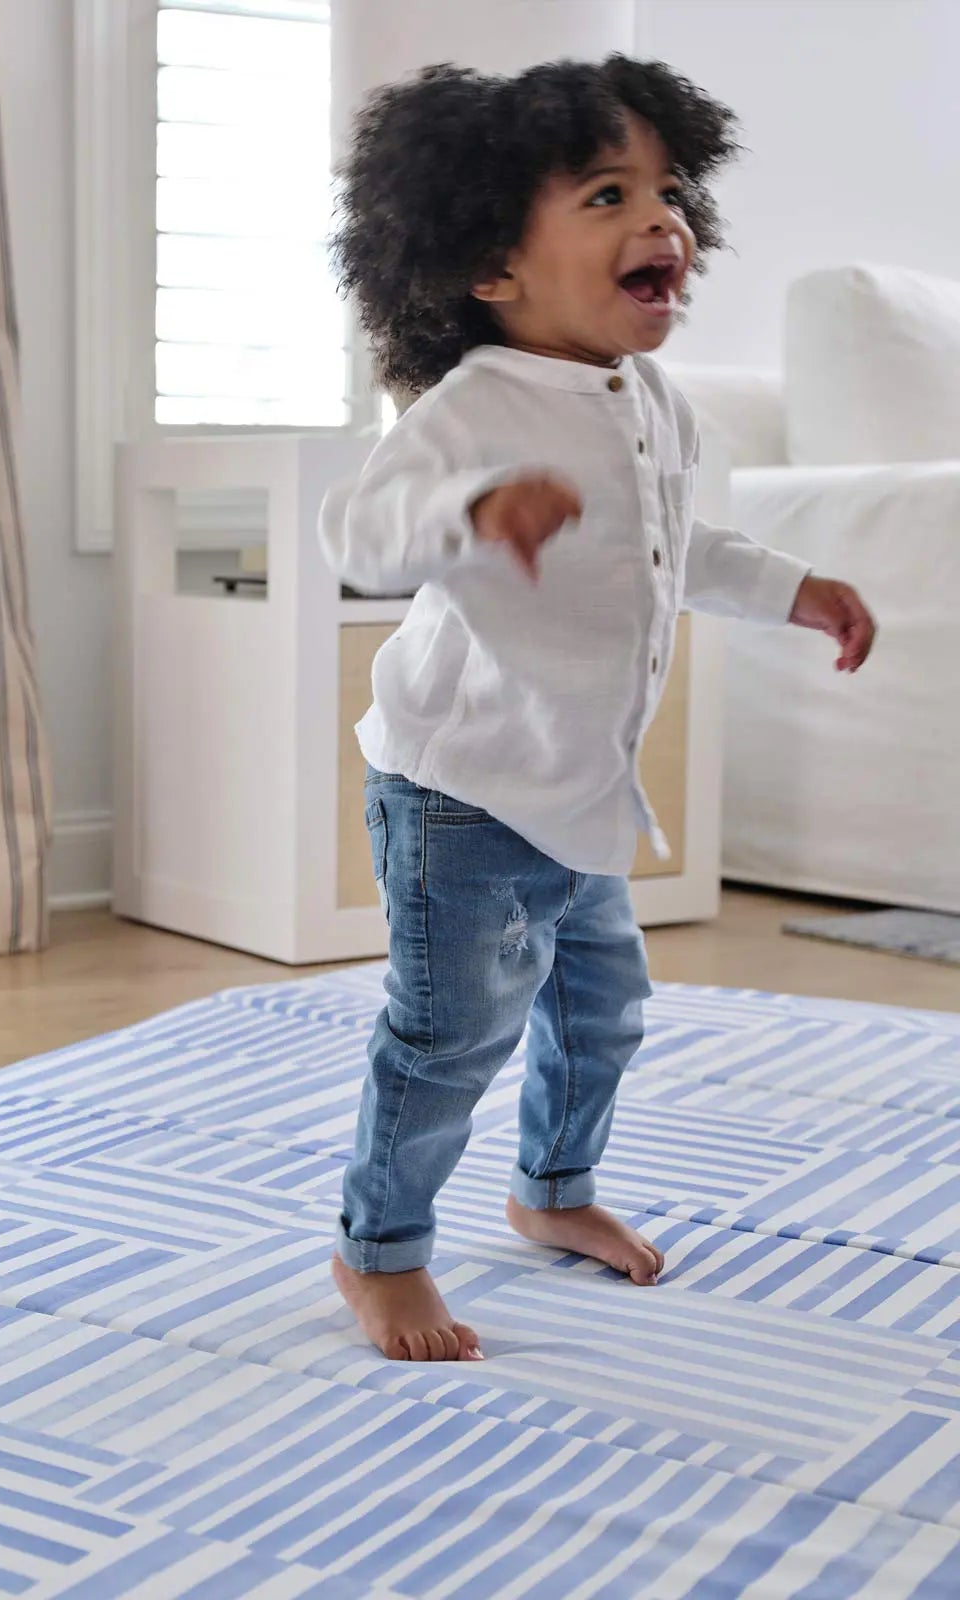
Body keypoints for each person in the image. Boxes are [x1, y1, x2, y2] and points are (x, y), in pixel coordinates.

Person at [320, 56, 876, 1363]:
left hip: (574, 790)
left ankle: (551, 1192)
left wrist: (798, 589)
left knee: (602, 1010)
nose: (663, 219)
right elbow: (364, 524)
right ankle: (379, 1251)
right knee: (449, 1033)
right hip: (462, 794)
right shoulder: (474, 407)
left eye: (670, 190)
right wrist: (473, 510)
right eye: (608, 194)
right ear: (491, 263)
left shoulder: (655, 403)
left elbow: (689, 553)